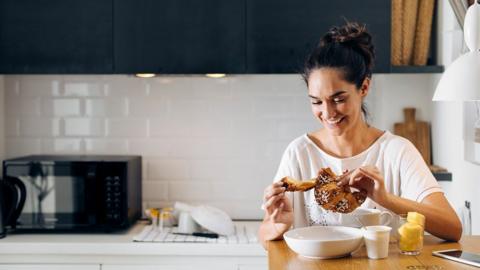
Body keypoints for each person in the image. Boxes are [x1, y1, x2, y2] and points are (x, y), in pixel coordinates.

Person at [258, 22, 462, 248]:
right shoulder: (299, 153)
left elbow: (452, 227)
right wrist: (278, 225)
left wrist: (385, 199)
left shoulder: (396, 151)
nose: (327, 113)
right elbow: (266, 239)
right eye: (316, 101)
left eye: (338, 99)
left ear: (364, 88)